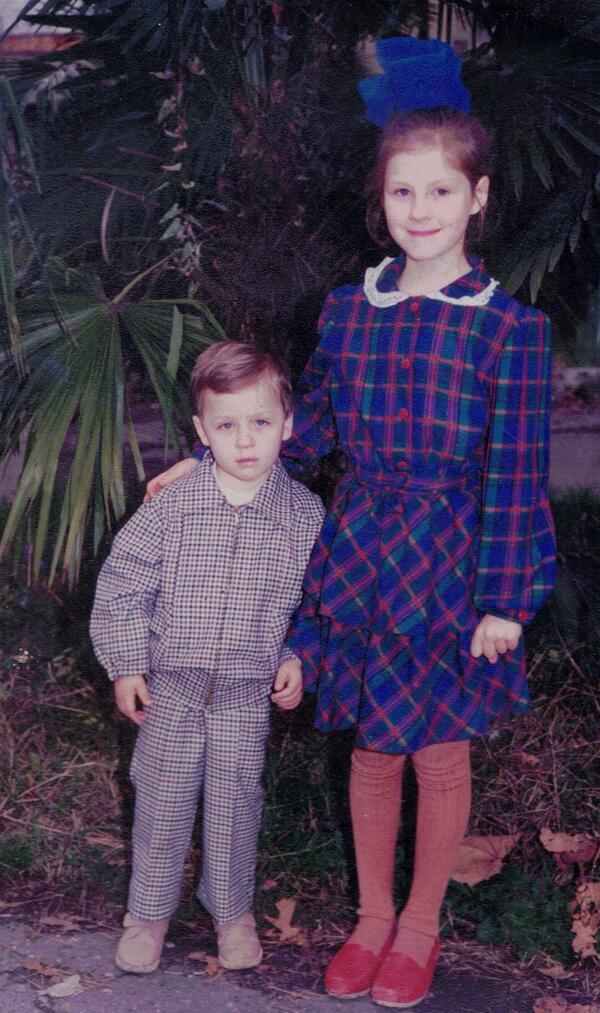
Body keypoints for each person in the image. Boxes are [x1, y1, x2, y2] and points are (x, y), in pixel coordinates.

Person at [146, 38, 556, 1010]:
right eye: (402, 192)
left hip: (452, 562)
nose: (420, 212)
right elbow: (311, 427)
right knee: (372, 745)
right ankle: (371, 915)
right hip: (363, 552)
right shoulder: (348, 312)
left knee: (437, 748)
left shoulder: (509, 328)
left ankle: (420, 923)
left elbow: (517, 477)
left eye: (441, 192)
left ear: (479, 197)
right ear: (382, 198)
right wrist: (209, 463)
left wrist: (506, 596)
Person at [90, 341, 324, 976]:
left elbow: (317, 601)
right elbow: (122, 586)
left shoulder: (303, 515)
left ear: (288, 425)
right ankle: (147, 914)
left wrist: (300, 655)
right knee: (161, 800)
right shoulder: (171, 506)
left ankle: (232, 914)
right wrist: (127, 664)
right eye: (226, 425)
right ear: (201, 432)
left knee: (233, 802)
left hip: (247, 694)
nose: (245, 441)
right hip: (172, 688)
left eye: (260, 422)